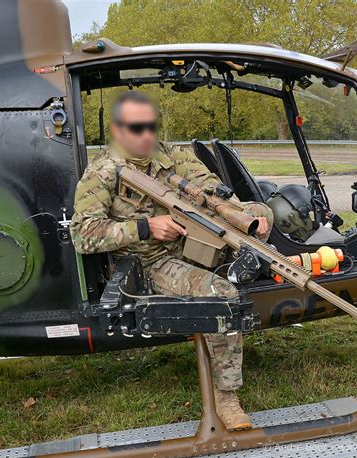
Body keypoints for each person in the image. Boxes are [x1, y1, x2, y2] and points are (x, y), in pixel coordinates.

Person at [70, 91, 273, 430]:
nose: (147, 135)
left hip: (193, 243)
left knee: (260, 210)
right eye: (137, 128)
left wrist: (240, 214)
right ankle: (227, 397)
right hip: (150, 263)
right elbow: (83, 235)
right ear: (118, 130)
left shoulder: (168, 154)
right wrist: (145, 227)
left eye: (151, 126)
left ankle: (243, 260)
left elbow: (209, 185)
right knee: (222, 295)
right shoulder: (103, 173)